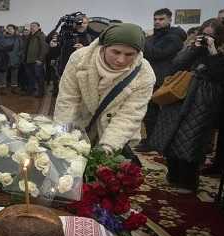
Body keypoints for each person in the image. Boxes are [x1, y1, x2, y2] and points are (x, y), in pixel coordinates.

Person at [150, 18, 224, 192]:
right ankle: (173, 175)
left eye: (210, 36)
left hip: (202, 101)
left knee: (192, 140)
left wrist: (212, 50)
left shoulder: (223, 54)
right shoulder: (191, 48)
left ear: (219, 37)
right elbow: (176, 65)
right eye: (204, 34)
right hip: (179, 96)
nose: (206, 38)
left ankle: (188, 181)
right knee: (171, 136)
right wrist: (194, 48)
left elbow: (219, 76)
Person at [54, 23, 156, 154]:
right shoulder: (79, 59)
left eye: (130, 54)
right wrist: (63, 135)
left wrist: (108, 147)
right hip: (79, 128)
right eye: (116, 52)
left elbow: (130, 115)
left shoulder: (144, 74)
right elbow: (67, 101)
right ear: (103, 47)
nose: (121, 60)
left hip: (118, 135)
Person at [139, 8, 187, 152]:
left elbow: (156, 54)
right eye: (155, 19)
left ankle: (157, 142)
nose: (157, 22)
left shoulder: (174, 38)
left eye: (161, 19)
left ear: (169, 20)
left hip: (164, 79)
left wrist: (143, 38)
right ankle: (151, 140)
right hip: (151, 78)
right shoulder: (155, 36)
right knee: (150, 112)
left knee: (161, 114)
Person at [24, 22, 48, 97]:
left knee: (39, 77)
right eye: (31, 26)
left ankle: (41, 93)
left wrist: (40, 59)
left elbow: (44, 48)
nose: (32, 28)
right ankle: (30, 91)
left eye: (34, 26)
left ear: (38, 27)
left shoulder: (41, 35)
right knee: (30, 77)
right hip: (28, 60)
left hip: (37, 61)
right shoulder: (30, 36)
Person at [2, 24, 23, 93]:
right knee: (3, 74)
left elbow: (22, 48)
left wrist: (18, 55)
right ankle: (3, 88)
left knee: (14, 74)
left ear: (14, 30)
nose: (9, 30)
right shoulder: (2, 38)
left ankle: (14, 88)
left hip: (15, 59)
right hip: (5, 59)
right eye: (8, 28)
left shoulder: (18, 38)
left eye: (11, 28)